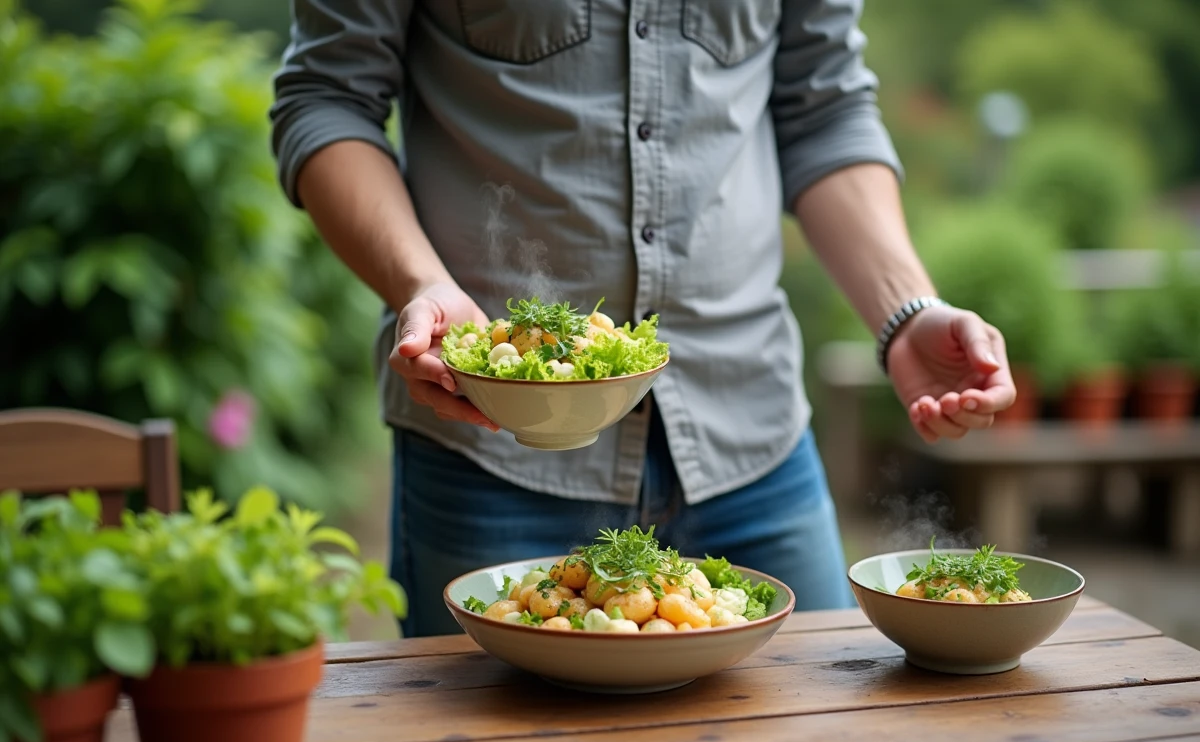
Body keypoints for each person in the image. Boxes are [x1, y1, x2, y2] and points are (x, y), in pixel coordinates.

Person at [269, 0, 1017, 638]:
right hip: (490, 440)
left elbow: (823, 110)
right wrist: (420, 283)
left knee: (802, 741)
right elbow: (326, 97)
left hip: (750, 432)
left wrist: (904, 310)